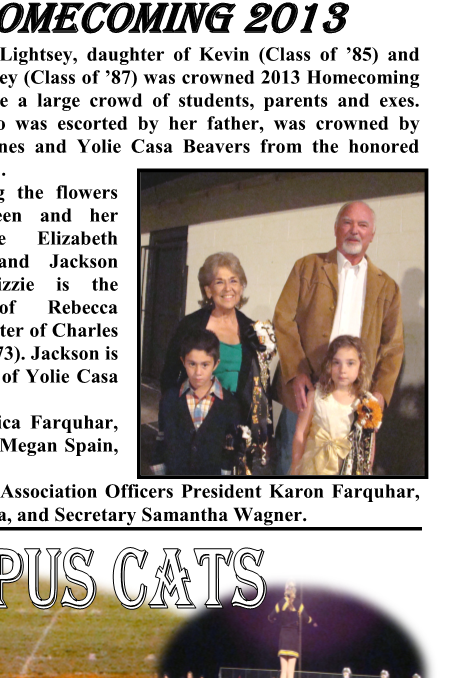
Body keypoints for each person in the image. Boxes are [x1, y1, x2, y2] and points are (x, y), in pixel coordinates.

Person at [272, 200, 404, 469]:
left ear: (372, 235)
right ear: (336, 229)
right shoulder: (307, 267)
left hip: (354, 397)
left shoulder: (387, 287)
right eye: (347, 222)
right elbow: (283, 320)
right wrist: (297, 372)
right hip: (305, 390)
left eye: (363, 225)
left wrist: (379, 393)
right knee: (292, 456)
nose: (354, 230)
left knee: (347, 465)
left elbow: (393, 347)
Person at [158, 252, 275, 473]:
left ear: (241, 288)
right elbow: (169, 376)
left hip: (234, 423)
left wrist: (262, 433)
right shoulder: (190, 325)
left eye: (234, 281)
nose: (228, 288)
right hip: (196, 421)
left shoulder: (253, 330)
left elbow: (261, 385)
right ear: (208, 290)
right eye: (219, 282)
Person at [159, 330, 244, 477]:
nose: (198, 372)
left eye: (205, 365)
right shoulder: (169, 399)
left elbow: (230, 449)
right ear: (183, 361)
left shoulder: (229, 404)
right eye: (192, 364)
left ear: (216, 364)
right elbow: (161, 440)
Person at [292, 334, 378, 475]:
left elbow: (369, 444)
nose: (342, 370)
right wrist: (295, 466)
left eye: (350, 363)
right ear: (329, 364)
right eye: (336, 363)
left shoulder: (366, 404)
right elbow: (300, 432)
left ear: (360, 365)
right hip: (313, 469)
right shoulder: (317, 395)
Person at [268, 583, 315, 678]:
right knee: (291, 672)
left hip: (283, 638)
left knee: (283, 672)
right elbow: (306, 618)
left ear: (285, 590)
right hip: (293, 639)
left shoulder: (280, 602)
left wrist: (272, 619)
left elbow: (271, 616)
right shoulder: (298, 603)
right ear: (295, 591)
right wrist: (312, 621)